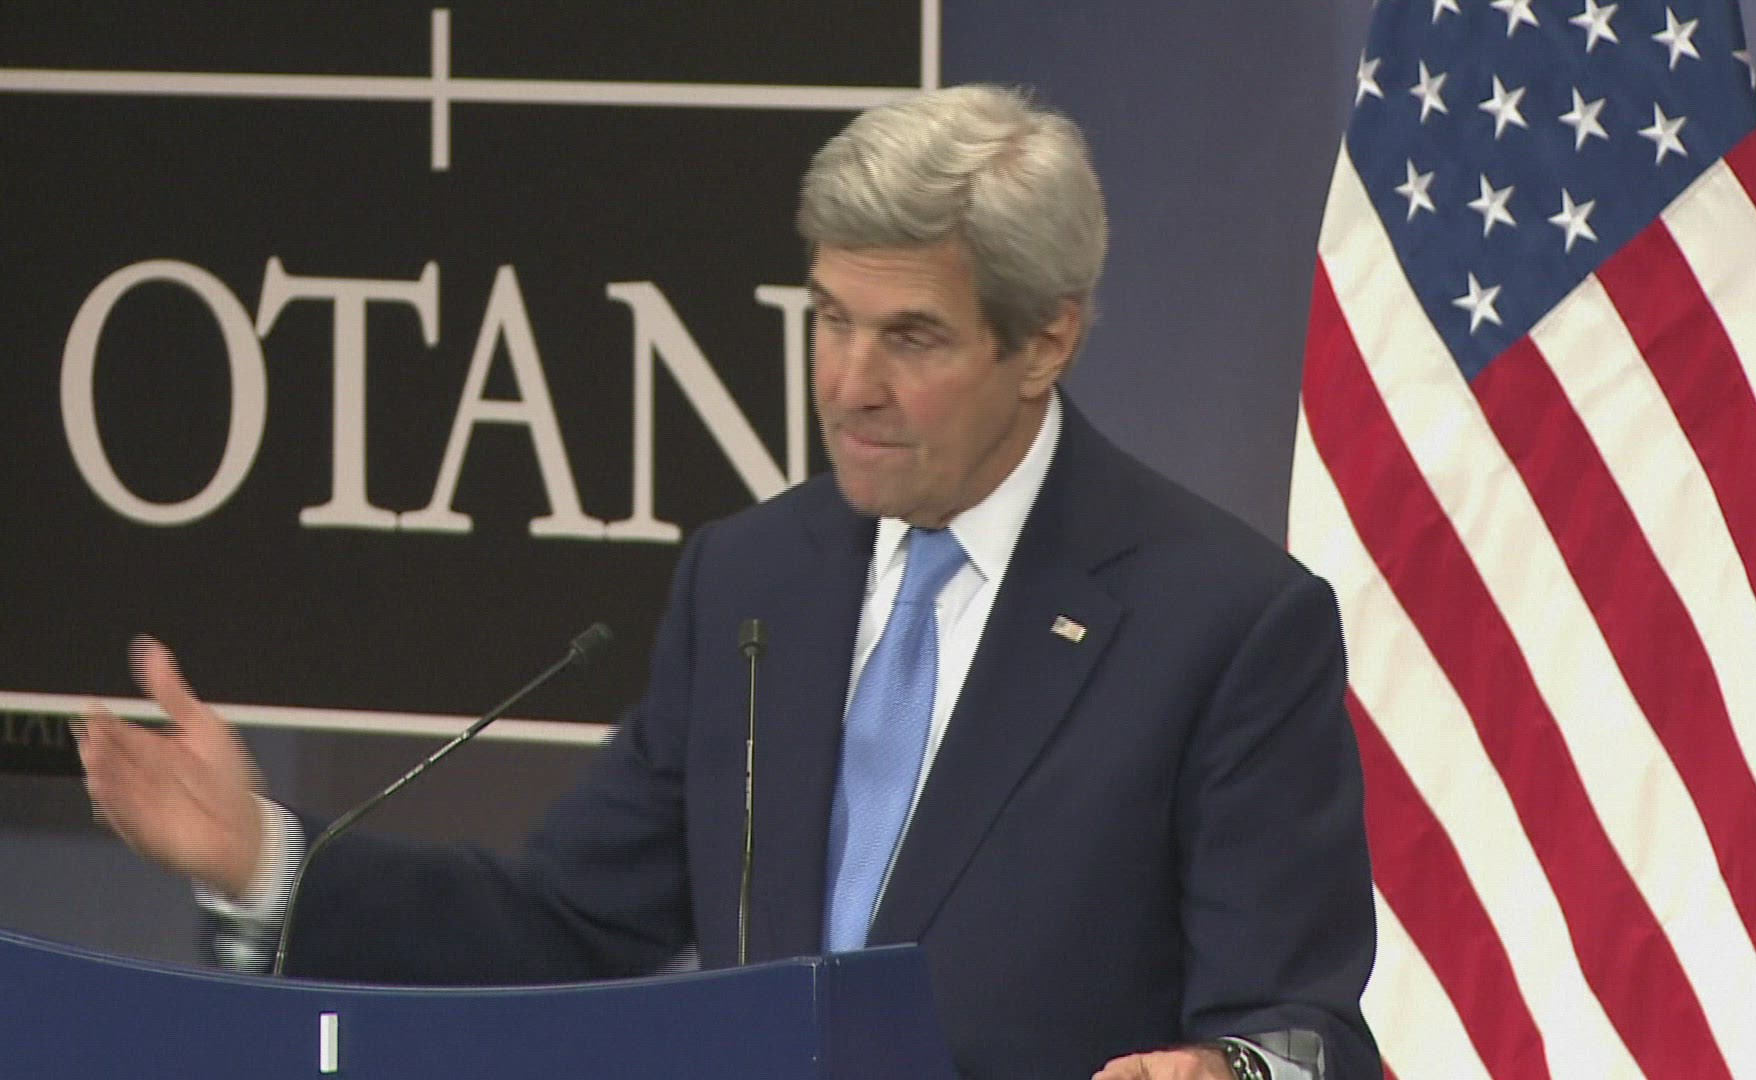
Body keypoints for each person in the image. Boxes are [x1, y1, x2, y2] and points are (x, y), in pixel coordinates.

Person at [74, 84, 1379, 1080]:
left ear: (1045, 341)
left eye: (912, 337)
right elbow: (567, 924)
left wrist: (1231, 1074)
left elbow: (1297, 1024)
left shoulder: (1222, 625)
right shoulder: (756, 579)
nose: (849, 385)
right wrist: (267, 859)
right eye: (831, 317)